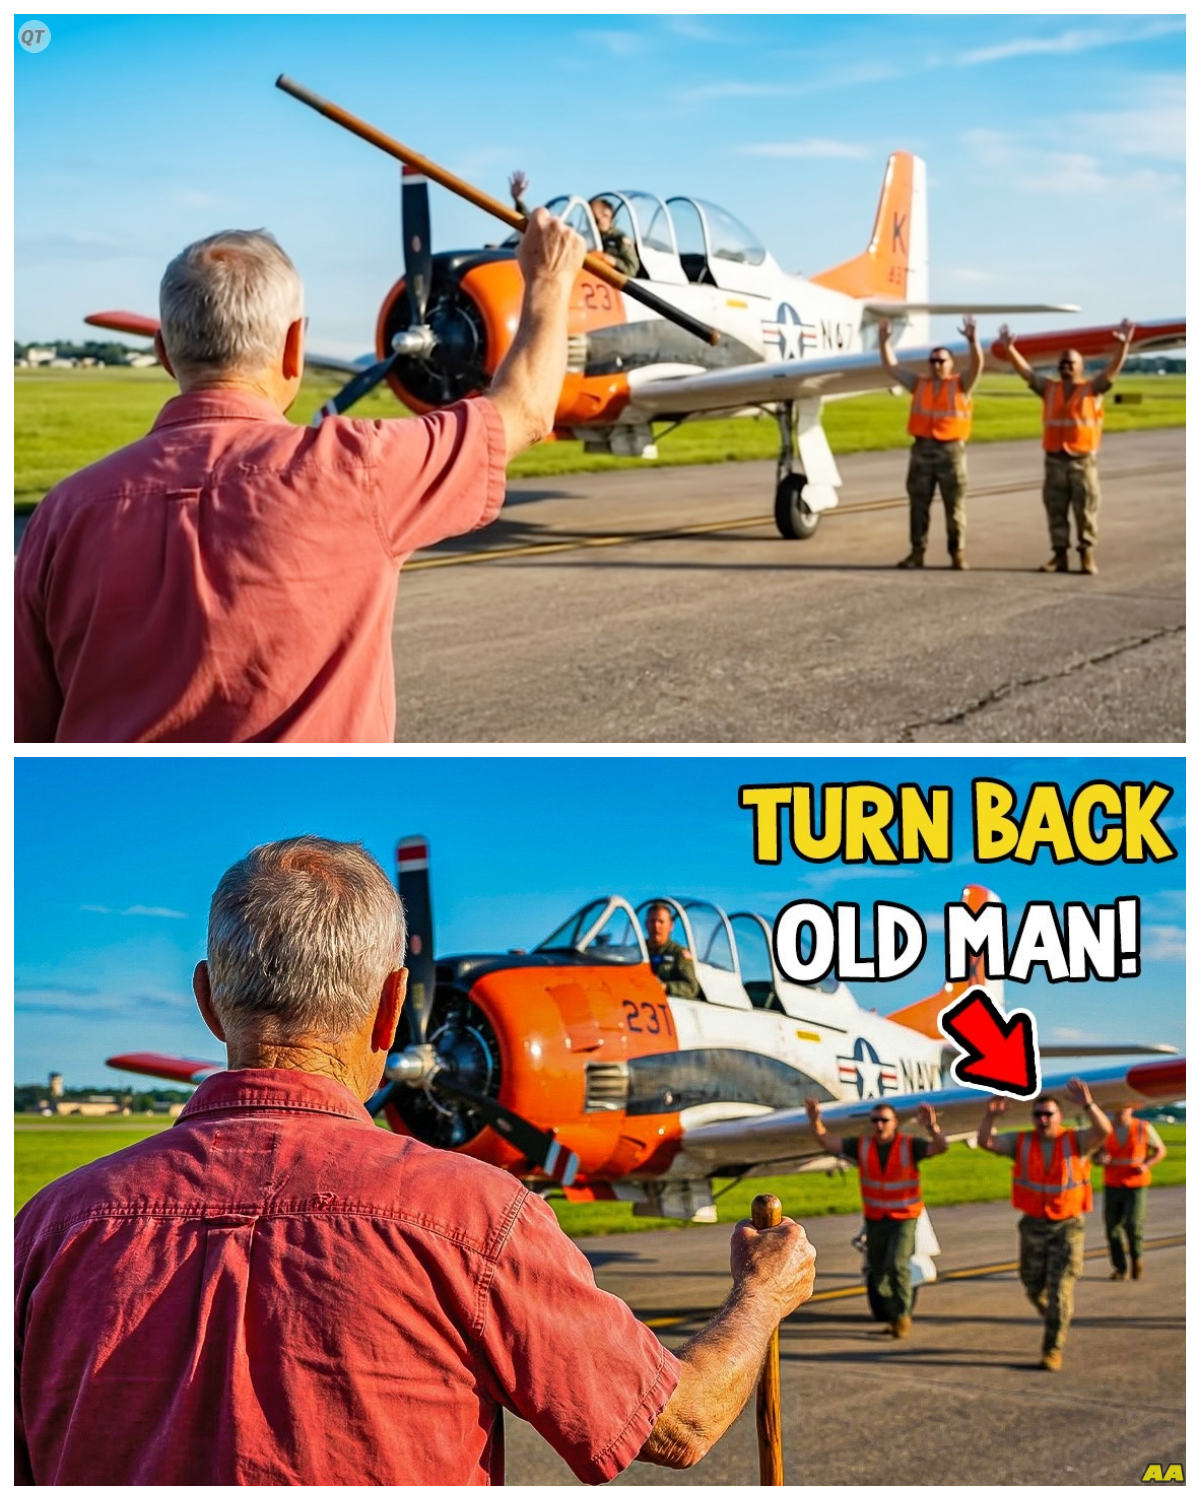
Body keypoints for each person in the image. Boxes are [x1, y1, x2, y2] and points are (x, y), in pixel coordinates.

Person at [15, 837, 817, 1486]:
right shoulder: (477, 1218)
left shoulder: (44, 1229)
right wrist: (760, 1297)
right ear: (396, 1007)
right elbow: (678, 1426)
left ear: (207, 999)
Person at [15, 212, 586, 743]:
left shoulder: (61, 513)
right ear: (295, 346)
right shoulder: (364, 466)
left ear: (165, 352)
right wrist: (551, 281)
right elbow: (526, 412)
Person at [977, 1079, 1111, 1371]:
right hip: (1033, 1224)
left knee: (1060, 1288)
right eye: (1038, 1115)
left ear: (1059, 1117)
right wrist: (990, 1117)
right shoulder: (1022, 1142)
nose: (1043, 1120)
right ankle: (1052, 1313)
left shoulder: (1075, 1141)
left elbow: (1103, 1131)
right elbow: (987, 1142)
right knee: (1031, 1284)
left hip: (1068, 1225)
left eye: (1048, 1114)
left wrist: (1088, 1104)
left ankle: (1052, 1349)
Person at [996, 319, 1134, 575]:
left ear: (1082, 367)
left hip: (1082, 461)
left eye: (1071, 363)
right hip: (1054, 460)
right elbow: (1026, 372)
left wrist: (1122, 347)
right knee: (1055, 510)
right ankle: (1059, 555)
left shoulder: (1092, 389)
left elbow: (1112, 372)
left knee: (1086, 511)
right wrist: (1009, 349)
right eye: (1062, 364)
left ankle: (1087, 555)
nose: (1065, 367)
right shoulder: (1049, 389)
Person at [803, 1097, 947, 1338]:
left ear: (895, 1123)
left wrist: (932, 1127)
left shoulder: (909, 1145)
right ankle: (892, 1313)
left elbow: (940, 1147)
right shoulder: (862, 1146)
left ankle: (902, 1317)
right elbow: (827, 1141)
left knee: (898, 1265)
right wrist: (815, 1120)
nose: (879, 1125)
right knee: (878, 1270)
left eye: (884, 1120)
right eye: (875, 1121)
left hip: (904, 1217)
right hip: (876, 1218)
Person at [879, 315, 982, 570]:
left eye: (941, 361)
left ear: (950, 364)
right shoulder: (919, 384)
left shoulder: (961, 384)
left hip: (951, 452)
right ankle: (917, 552)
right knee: (918, 505)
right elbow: (892, 367)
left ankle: (957, 553)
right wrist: (883, 343)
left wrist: (973, 341)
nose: (936, 365)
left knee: (954, 506)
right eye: (933, 361)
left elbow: (977, 364)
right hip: (922, 451)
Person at [1095, 1104, 1167, 1281]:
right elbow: (1095, 1154)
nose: (1119, 1115)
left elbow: (1160, 1150)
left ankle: (1136, 1257)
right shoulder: (1106, 1128)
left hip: (1136, 1184)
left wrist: (1146, 1165)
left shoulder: (1143, 1127)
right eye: (1116, 1111)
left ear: (1131, 1110)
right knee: (1112, 1227)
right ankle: (1120, 1268)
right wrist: (1100, 1158)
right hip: (1113, 1183)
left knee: (1133, 1224)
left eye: (1123, 1111)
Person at [644, 901, 701, 998]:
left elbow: (691, 988)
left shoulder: (678, 953)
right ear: (646, 924)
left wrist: (666, 987)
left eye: (661, 922)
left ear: (671, 926)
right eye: (652, 921)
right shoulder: (637, 952)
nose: (656, 926)